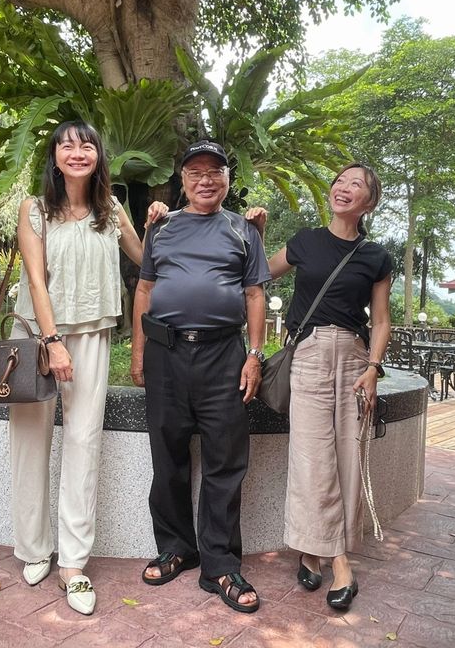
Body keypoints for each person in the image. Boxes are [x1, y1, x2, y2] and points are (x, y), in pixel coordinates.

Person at [7, 120, 153, 616]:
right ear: (53, 156)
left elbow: (147, 258)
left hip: (92, 332)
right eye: (67, 144)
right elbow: (35, 278)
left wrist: (159, 220)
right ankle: (32, 548)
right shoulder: (34, 210)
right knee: (30, 441)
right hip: (36, 334)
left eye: (86, 144)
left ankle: (73, 562)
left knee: (84, 442)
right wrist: (51, 341)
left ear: (98, 156)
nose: (77, 151)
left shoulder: (110, 210)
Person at [130, 140, 270, 613]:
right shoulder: (161, 226)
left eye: (215, 171)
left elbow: (255, 295)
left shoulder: (243, 229)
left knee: (225, 460)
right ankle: (176, 547)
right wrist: (138, 352)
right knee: (167, 454)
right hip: (166, 355)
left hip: (223, 357)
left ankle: (219, 563)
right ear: (183, 180)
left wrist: (254, 355)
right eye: (195, 171)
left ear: (228, 180)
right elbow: (145, 289)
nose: (205, 179)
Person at [250, 162, 392, 611]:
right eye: (341, 181)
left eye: (358, 184)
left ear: (369, 202)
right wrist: (258, 233)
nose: (345, 187)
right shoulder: (305, 242)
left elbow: (383, 320)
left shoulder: (376, 256)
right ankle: (341, 562)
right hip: (308, 355)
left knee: (348, 457)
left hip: (353, 356)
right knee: (313, 459)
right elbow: (256, 278)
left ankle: (312, 550)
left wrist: (373, 367)